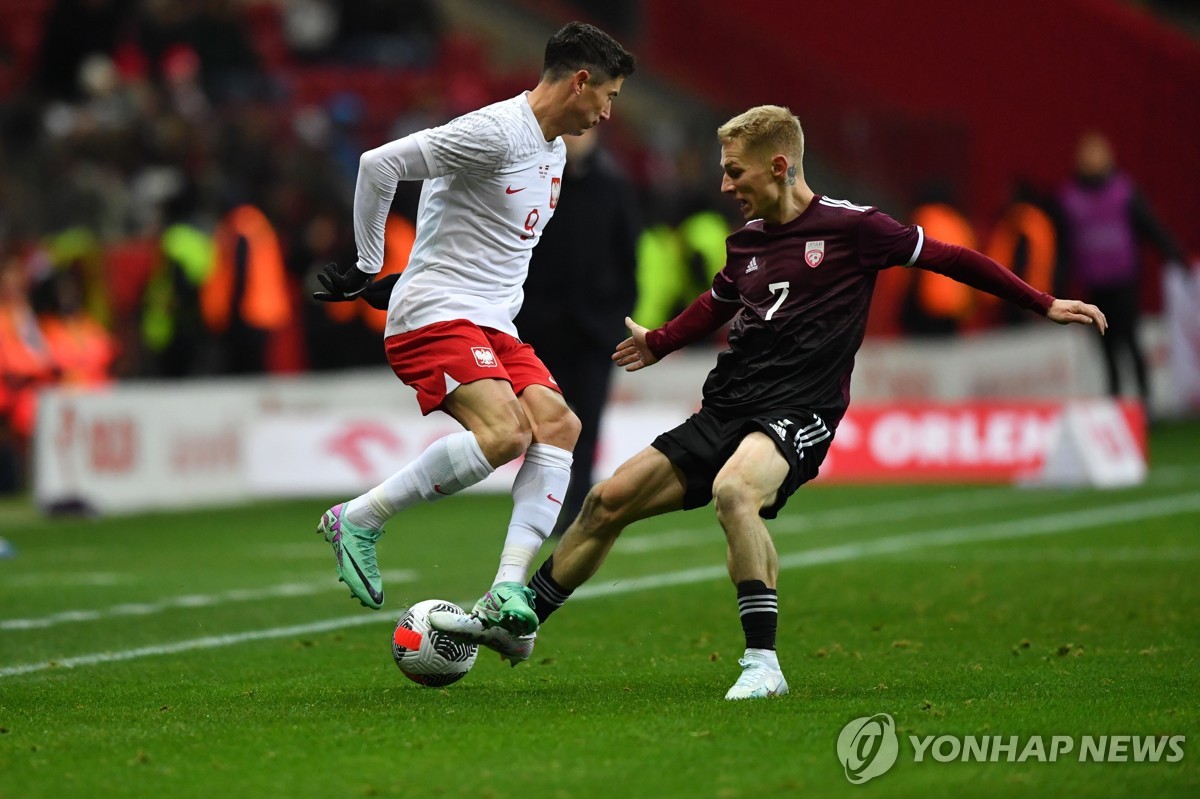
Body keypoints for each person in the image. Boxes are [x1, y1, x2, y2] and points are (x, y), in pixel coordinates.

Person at [431, 105, 1107, 699]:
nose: (726, 185)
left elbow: (954, 259)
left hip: (799, 411)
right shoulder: (749, 242)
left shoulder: (854, 229)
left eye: (736, 172)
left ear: (779, 165)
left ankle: (763, 661)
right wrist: (660, 342)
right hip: (728, 405)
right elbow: (717, 301)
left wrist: (1043, 302)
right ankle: (522, 629)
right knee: (606, 501)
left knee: (734, 492)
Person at [312, 22, 636, 638]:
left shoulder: (556, 149)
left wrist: (403, 275)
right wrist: (366, 263)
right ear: (581, 81)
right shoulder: (494, 131)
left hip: (490, 318)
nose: (608, 112)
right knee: (506, 433)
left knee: (560, 427)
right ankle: (360, 517)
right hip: (437, 314)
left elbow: (483, 236)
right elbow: (378, 166)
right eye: (610, 96)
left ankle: (506, 588)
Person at [515, 126, 640, 536]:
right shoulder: (535, 184)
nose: (575, 138)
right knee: (544, 428)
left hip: (592, 332)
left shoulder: (614, 188)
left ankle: (576, 510)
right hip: (543, 330)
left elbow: (629, 259)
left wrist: (614, 319)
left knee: (585, 425)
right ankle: (541, 509)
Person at [1058, 131, 1187, 406]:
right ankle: (1115, 406)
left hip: (1124, 283)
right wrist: (1058, 287)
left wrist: (1175, 255)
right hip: (1093, 286)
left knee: (1129, 342)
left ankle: (1144, 405)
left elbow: (1151, 226)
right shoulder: (1069, 199)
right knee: (1105, 349)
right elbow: (1064, 248)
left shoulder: (1123, 191)